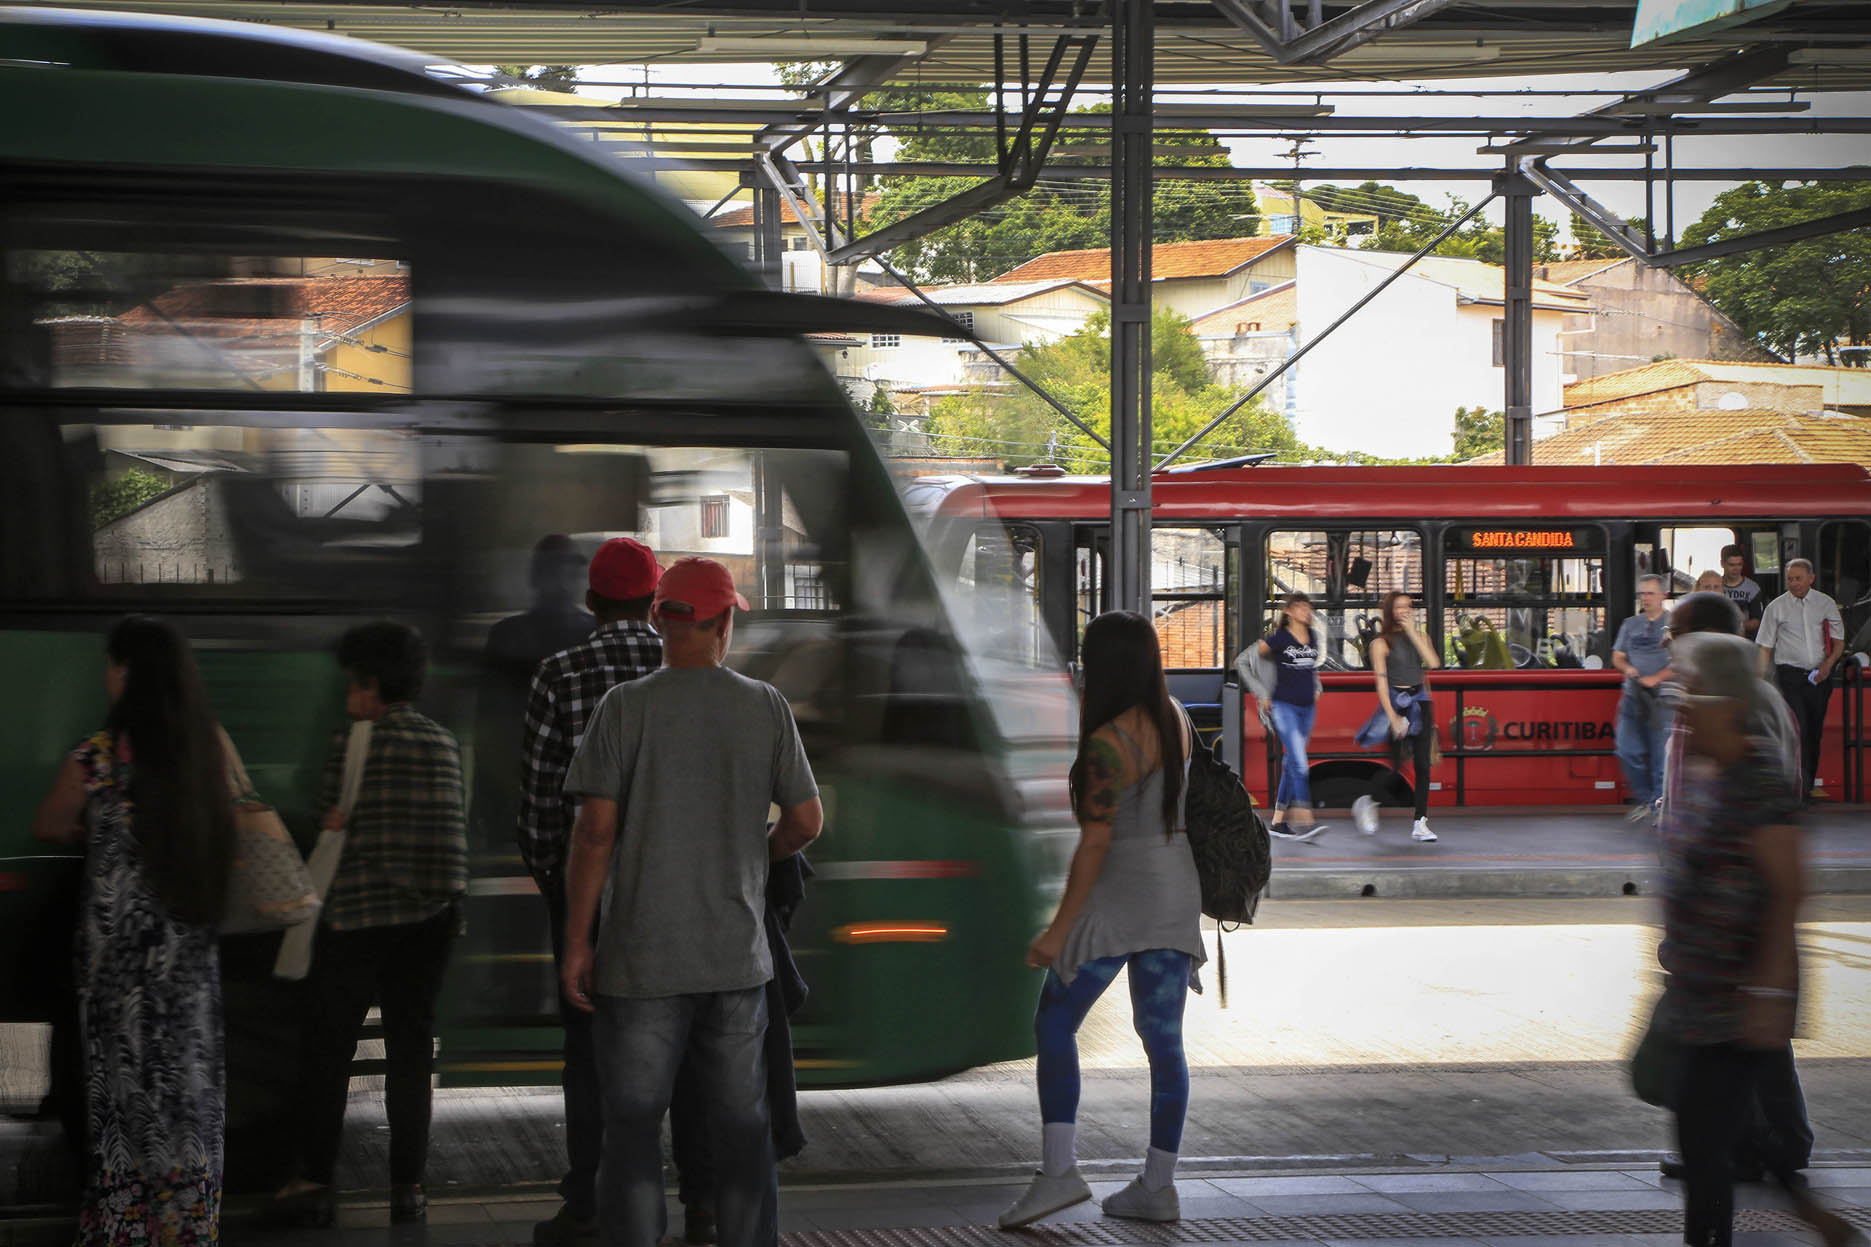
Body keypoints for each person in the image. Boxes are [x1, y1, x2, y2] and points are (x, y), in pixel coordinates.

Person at [561, 557, 822, 1247]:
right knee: (741, 1128)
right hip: (735, 958)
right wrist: (750, 855)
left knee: (634, 1126)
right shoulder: (763, 705)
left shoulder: (624, 706)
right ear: (724, 623)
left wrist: (577, 941)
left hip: (640, 958)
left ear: (659, 620)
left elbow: (594, 832)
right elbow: (804, 823)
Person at [516, 537, 717, 1247]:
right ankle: (703, 1203)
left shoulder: (559, 672)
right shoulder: (692, 668)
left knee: (592, 1056)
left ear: (591, 600)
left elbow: (542, 805)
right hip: (686, 896)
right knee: (692, 1051)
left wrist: (560, 890)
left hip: (592, 902)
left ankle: (591, 1202)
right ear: (658, 598)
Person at [32, 616, 234, 1247]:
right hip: (188, 961)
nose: (105, 674)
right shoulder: (209, 746)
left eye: (110, 664)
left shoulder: (96, 754)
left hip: (117, 967)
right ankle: (187, 1227)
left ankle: (125, 1228)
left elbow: (49, 823)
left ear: (127, 672)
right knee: (186, 1092)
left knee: (122, 1099)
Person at [999, 610, 1205, 1229]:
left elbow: (1093, 846)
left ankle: (1059, 1172)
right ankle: (1157, 1186)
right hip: (1174, 892)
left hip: (1119, 897)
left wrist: (1060, 929)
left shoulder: (1110, 744)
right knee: (1163, 1041)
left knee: (1055, 1022)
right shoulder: (1177, 721)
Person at [1653, 631, 1854, 1247]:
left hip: (1736, 997)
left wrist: (1768, 991)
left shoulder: (1758, 778)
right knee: (1709, 1132)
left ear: (1730, 704)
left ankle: (1771, 1219)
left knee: (1709, 1140)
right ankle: (1802, 1207)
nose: (1682, 707)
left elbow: (1787, 889)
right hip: (1702, 992)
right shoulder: (1710, 773)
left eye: (1694, 694)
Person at [271, 621, 469, 1227]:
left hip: (359, 919)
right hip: (432, 920)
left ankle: (314, 1183)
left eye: (353, 686)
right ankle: (408, 1188)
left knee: (329, 1049)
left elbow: (329, 816)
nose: (348, 698)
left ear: (371, 686)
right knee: (411, 1051)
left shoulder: (354, 742)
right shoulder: (442, 742)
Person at [1655, 592, 1811, 1191]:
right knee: (1739, 1044)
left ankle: (1766, 1146)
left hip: (1736, 922)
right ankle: (1751, 1145)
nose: (1669, 646)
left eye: (1678, 634)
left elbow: (1772, 843)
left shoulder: (1750, 716)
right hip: (1713, 923)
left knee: (1747, 1041)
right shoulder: (1711, 705)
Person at [476, 535, 594, 853]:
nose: (563, 581)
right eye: (558, 572)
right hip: (572, 795)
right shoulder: (592, 633)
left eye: (568, 572)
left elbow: (487, 728)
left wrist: (482, 802)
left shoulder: (506, 634)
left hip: (521, 790)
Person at [1354, 591, 1441, 843]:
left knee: (1423, 765)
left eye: (1408, 606)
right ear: (1390, 611)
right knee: (1396, 764)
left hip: (1421, 702)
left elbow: (1433, 663)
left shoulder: (1421, 636)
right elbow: (1381, 683)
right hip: (1396, 703)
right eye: (1400, 606)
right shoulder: (1380, 643)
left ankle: (1420, 822)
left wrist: (1413, 632)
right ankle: (1367, 801)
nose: (1405, 610)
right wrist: (1392, 717)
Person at [1756, 557, 1844, 801]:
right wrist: (1759, 681)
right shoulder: (1776, 607)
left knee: (1815, 731)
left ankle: (1807, 784)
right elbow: (1764, 647)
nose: (1793, 583)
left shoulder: (1825, 604)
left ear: (1811, 579)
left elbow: (1839, 642)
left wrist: (1828, 665)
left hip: (1819, 677)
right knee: (1799, 729)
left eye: (1798, 578)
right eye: (1789, 579)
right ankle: (1798, 789)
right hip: (1790, 676)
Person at [1246, 592, 1325, 841]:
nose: (1306, 611)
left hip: (1306, 708)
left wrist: (1315, 687)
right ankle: (1304, 815)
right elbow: (1250, 661)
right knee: (1300, 761)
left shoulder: (1312, 636)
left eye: (1308, 607)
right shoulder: (1279, 638)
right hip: (1283, 707)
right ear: (1288, 611)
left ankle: (1278, 822)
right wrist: (1263, 693)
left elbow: (1309, 668)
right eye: (1300, 607)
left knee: (1292, 763)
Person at [1613, 575, 1675, 821]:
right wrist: (1627, 668)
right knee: (1627, 750)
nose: (1645, 598)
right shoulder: (1630, 624)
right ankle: (1645, 797)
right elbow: (1617, 655)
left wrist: (1657, 678)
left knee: (1661, 755)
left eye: (1650, 593)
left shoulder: (1674, 625)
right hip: (1633, 695)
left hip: (1663, 698)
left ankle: (1657, 804)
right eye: (1642, 593)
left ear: (1663, 596)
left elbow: (1681, 661)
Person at [1719, 544, 1764, 639]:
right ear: (1722, 564)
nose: (1736, 569)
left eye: (1739, 564)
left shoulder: (1752, 588)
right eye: (1731, 565)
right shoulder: (1715, 586)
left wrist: (1733, 626)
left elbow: (1757, 621)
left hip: (1745, 640)